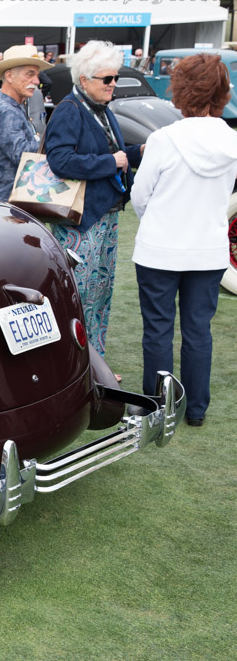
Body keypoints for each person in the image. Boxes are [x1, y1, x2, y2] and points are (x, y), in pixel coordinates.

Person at [130, 54, 237, 426]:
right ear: (222, 92)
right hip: (207, 250)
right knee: (198, 331)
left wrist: (160, 220)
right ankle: (195, 410)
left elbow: (140, 196)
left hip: (161, 247)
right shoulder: (231, 141)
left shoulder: (163, 139)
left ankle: (158, 408)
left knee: (158, 330)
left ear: (180, 89)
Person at [44, 40, 144, 358]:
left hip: (105, 214)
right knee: (79, 294)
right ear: (84, 80)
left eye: (115, 77)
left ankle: (94, 365)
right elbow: (59, 160)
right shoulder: (69, 111)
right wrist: (110, 163)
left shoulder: (101, 110)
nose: (113, 84)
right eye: (107, 79)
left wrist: (136, 153)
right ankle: (73, 364)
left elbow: (113, 155)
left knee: (100, 295)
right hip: (80, 220)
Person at [0, 44, 53, 201]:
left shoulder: (9, 107)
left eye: (37, 75)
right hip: (11, 205)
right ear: (10, 76)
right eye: (30, 74)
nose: (36, 80)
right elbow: (25, 156)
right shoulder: (6, 110)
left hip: (12, 202)